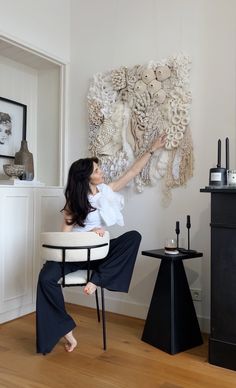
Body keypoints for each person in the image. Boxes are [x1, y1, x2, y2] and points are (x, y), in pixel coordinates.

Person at [36, 135, 166, 354]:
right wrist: (89, 232)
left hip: (98, 254)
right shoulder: (73, 203)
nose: (101, 172)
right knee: (45, 278)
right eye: (96, 170)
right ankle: (65, 329)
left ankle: (97, 279)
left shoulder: (107, 191)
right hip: (76, 255)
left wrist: (152, 149)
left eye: (99, 169)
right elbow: (65, 238)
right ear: (86, 177)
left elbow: (132, 172)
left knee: (132, 237)